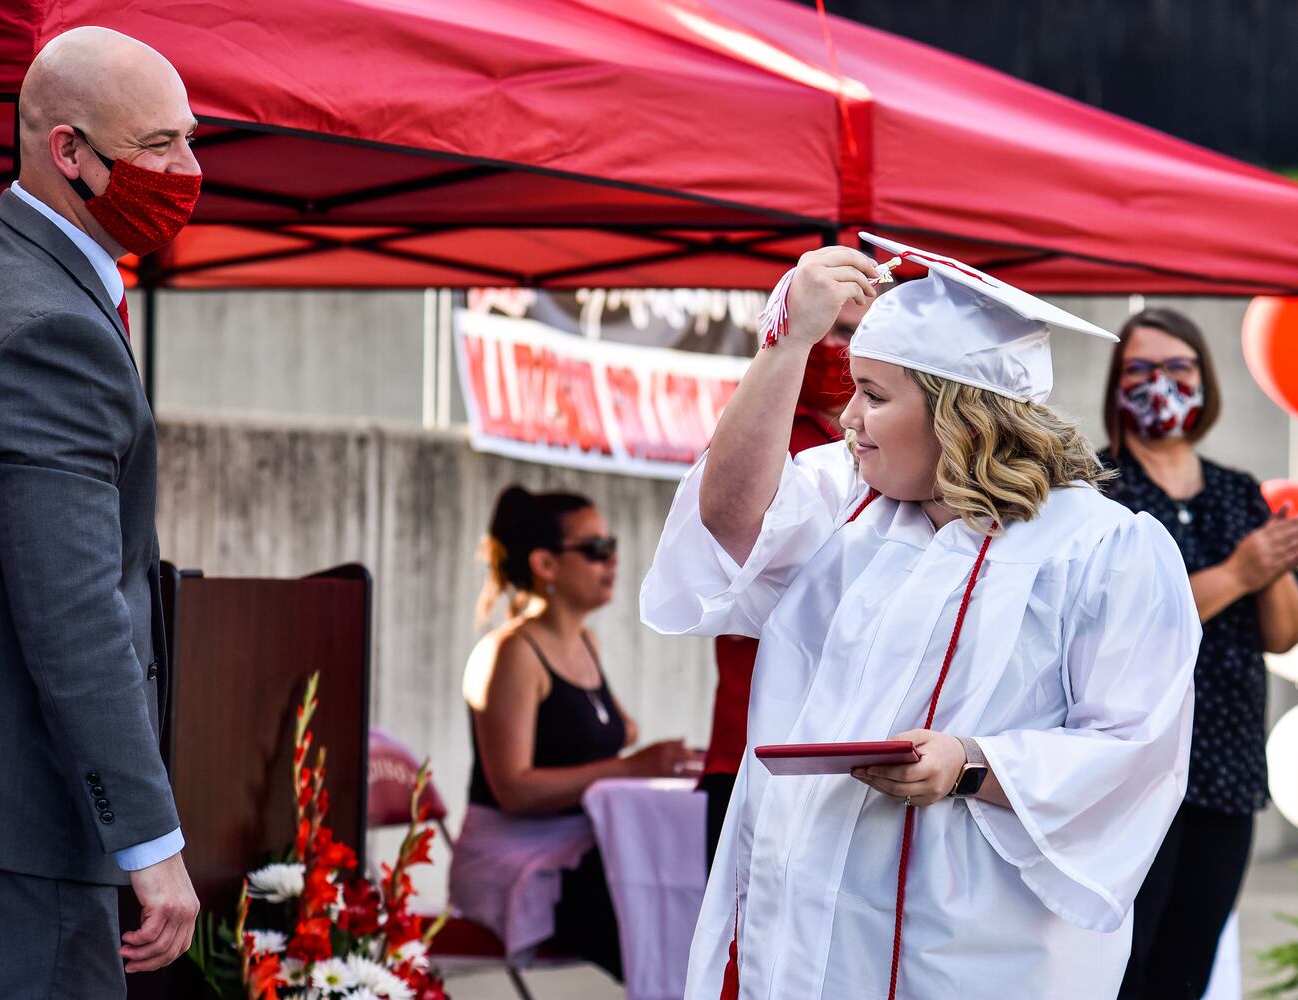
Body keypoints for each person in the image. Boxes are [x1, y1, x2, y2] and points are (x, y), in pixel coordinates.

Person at [641, 234, 1201, 1000]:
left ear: (961, 415)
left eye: (874, 393)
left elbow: (1134, 748)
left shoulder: (1104, 548)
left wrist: (970, 763)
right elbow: (728, 521)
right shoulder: (845, 504)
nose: (847, 417)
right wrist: (786, 342)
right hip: (812, 924)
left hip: (977, 941)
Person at [0, 27, 203, 998]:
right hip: (13, 829)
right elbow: (72, 611)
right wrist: (150, 841)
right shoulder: (49, 325)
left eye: (189, 141)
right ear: (68, 150)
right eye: (157, 147)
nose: (186, 171)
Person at [1101, 307, 1298, 1000]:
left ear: (1203, 381)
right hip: (1128, 775)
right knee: (1121, 968)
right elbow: (1122, 624)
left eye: (1176, 369)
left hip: (1224, 768)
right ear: (1114, 386)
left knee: (1186, 968)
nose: (1159, 384)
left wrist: (1272, 567)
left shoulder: (1235, 490)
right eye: (1139, 369)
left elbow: (1283, 635)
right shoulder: (1099, 490)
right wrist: (1239, 573)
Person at [450, 485, 703, 980]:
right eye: (595, 549)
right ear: (545, 565)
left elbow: (614, 727)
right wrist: (631, 766)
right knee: (647, 907)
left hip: (576, 845)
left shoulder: (584, 642)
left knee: (684, 882)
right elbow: (514, 790)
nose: (611, 560)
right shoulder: (513, 654)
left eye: (611, 546)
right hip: (515, 856)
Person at [700, 314, 854, 872]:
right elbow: (723, 538)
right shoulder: (761, 436)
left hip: (850, 751)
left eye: (858, 332)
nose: (839, 349)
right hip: (750, 742)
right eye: (829, 329)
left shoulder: (906, 452)